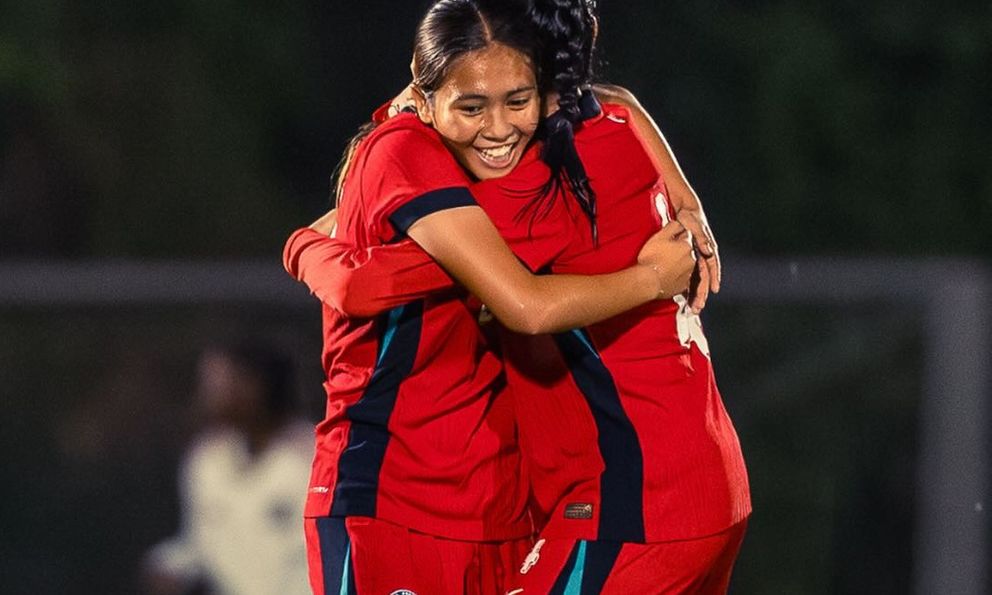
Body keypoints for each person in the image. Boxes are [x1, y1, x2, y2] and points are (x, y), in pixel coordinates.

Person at [286, 0, 751, 593]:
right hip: (698, 482)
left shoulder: (535, 188)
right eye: (475, 103)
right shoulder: (612, 127)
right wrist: (689, 201)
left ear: (541, 84)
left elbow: (365, 283)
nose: (500, 128)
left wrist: (298, 245)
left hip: (634, 502)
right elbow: (621, 98)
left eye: (515, 99)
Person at [141, 342, 313, 595]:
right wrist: (169, 566)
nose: (207, 394)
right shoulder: (205, 460)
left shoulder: (316, 457)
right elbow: (199, 545)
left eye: (219, 382)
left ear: (255, 385)